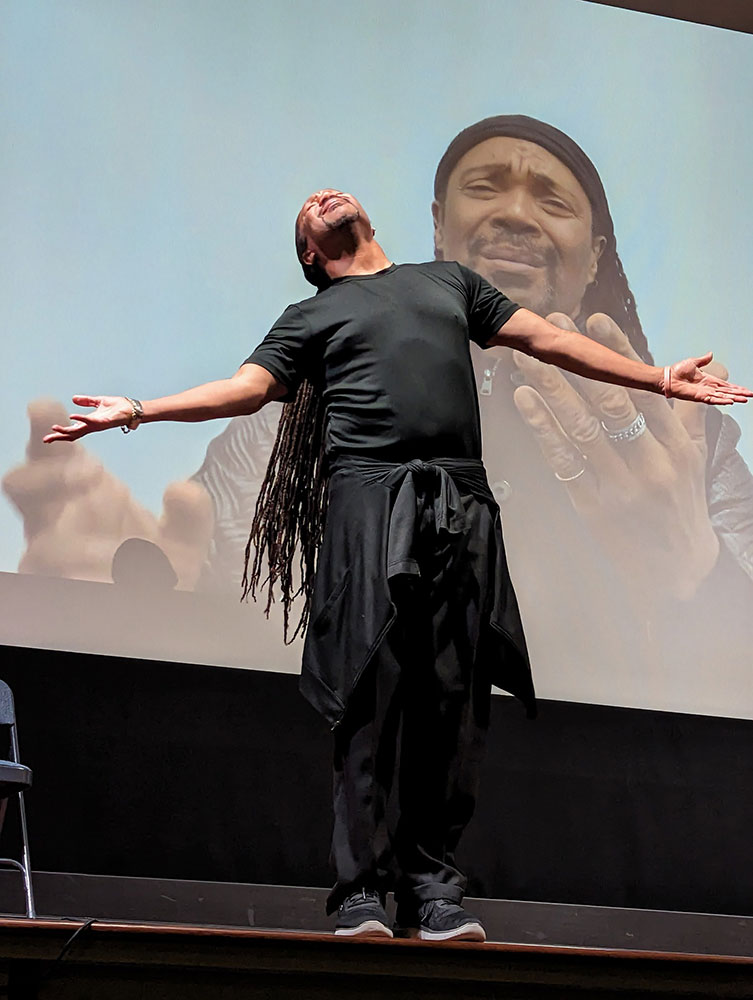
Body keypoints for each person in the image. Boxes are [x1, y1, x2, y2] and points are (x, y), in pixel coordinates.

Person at [44, 189, 750, 940]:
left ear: (370, 223)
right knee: (367, 699)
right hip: (368, 508)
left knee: (451, 701)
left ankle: (433, 893)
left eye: (332, 193)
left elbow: (547, 340)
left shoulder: (447, 282)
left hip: (457, 505)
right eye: (306, 211)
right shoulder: (311, 317)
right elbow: (244, 391)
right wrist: (135, 411)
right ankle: (360, 894)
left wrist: (659, 379)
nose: (320, 196)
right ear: (311, 255)